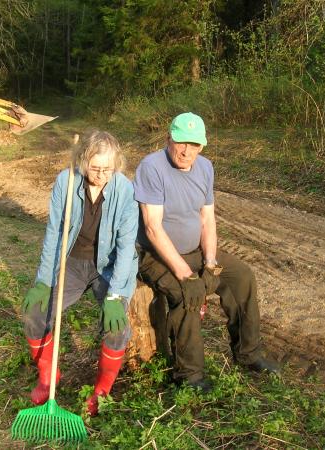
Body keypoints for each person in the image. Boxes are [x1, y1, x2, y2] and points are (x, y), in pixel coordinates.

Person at [133, 112, 280, 391]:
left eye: (194, 144)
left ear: (202, 146)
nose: (186, 151)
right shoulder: (151, 167)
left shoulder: (205, 167)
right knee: (186, 294)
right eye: (181, 142)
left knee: (242, 277)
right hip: (157, 256)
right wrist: (186, 275)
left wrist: (211, 263)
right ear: (169, 139)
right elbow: (153, 228)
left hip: (195, 251)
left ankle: (248, 355)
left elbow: (207, 219)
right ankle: (189, 375)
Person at [22, 130, 138, 415]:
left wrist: (115, 296)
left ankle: (101, 390)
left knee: (117, 327)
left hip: (108, 266)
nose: (100, 175)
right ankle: (48, 376)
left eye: (107, 170)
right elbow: (54, 232)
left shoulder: (124, 189)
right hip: (72, 262)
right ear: (83, 161)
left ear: (116, 166)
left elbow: (125, 248)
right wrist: (43, 281)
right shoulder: (67, 181)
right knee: (35, 313)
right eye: (95, 168)